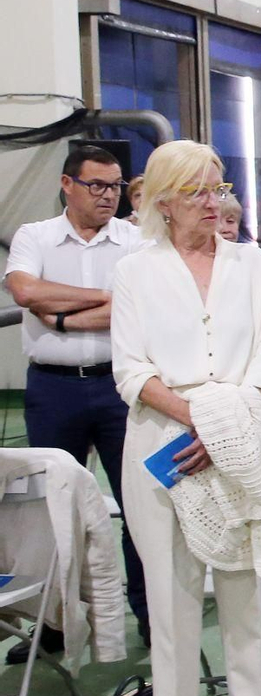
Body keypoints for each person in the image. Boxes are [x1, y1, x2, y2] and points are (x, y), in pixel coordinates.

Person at [110, 141, 261, 696]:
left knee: (243, 579)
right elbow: (130, 369)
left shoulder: (251, 262)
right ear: (164, 201)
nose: (214, 203)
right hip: (163, 441)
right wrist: (197, 420)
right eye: (197, 192)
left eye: (218, 188)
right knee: (171, 586)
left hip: (238, 437)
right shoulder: (135, 270)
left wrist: (223, 427)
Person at [6, 144, 149, 643]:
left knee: (139, 502)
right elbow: (25, 292)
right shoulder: (36, 236)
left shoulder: (134, 239)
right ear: (68, 184)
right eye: (97, 186)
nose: (108, 195)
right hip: (53, 389)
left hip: (120, 386)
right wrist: (108, 296)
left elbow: (141, 305)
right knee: (48, 511)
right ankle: (52, 629)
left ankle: (150, 618)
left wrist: (61, 313)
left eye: (115, 186)